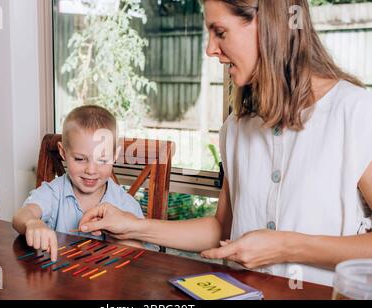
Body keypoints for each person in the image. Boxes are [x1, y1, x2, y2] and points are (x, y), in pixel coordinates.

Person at [78, 0, 372, 286]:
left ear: (269, 25)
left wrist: (287, 246)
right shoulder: (236, 127)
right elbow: (222, 227)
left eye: (220, 32)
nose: (209, 49)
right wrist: (134, 225)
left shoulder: (356, 114)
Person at [12, 105, 147, 262]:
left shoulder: (125, 205)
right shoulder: (54, 192)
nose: (91, 170)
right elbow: (20, 216)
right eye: (80, 159)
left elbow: (139, 252)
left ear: (114, 155)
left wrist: (117, 239)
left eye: (102, 160)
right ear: (63, 152)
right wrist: (32, 222)